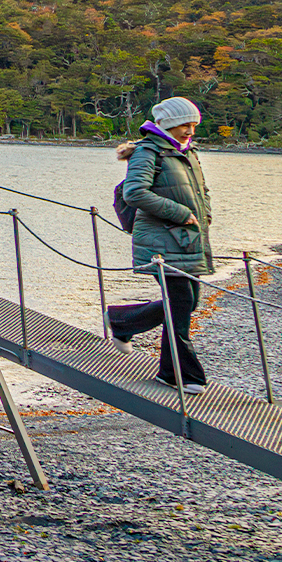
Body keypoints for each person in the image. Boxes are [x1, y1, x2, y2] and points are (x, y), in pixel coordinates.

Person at [107, 97, 213, 393]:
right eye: (184, 125)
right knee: (180, 304)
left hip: (187, 238)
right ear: (167, 124)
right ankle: (185, 375)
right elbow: (135, 193)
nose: (189, 130)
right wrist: (181, 213)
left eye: (193, 124)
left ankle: (122, 321)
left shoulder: (187, 152)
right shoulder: (147, 151)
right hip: (159, 241)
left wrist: (205, 214)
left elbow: (201, 189)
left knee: (187, 302)